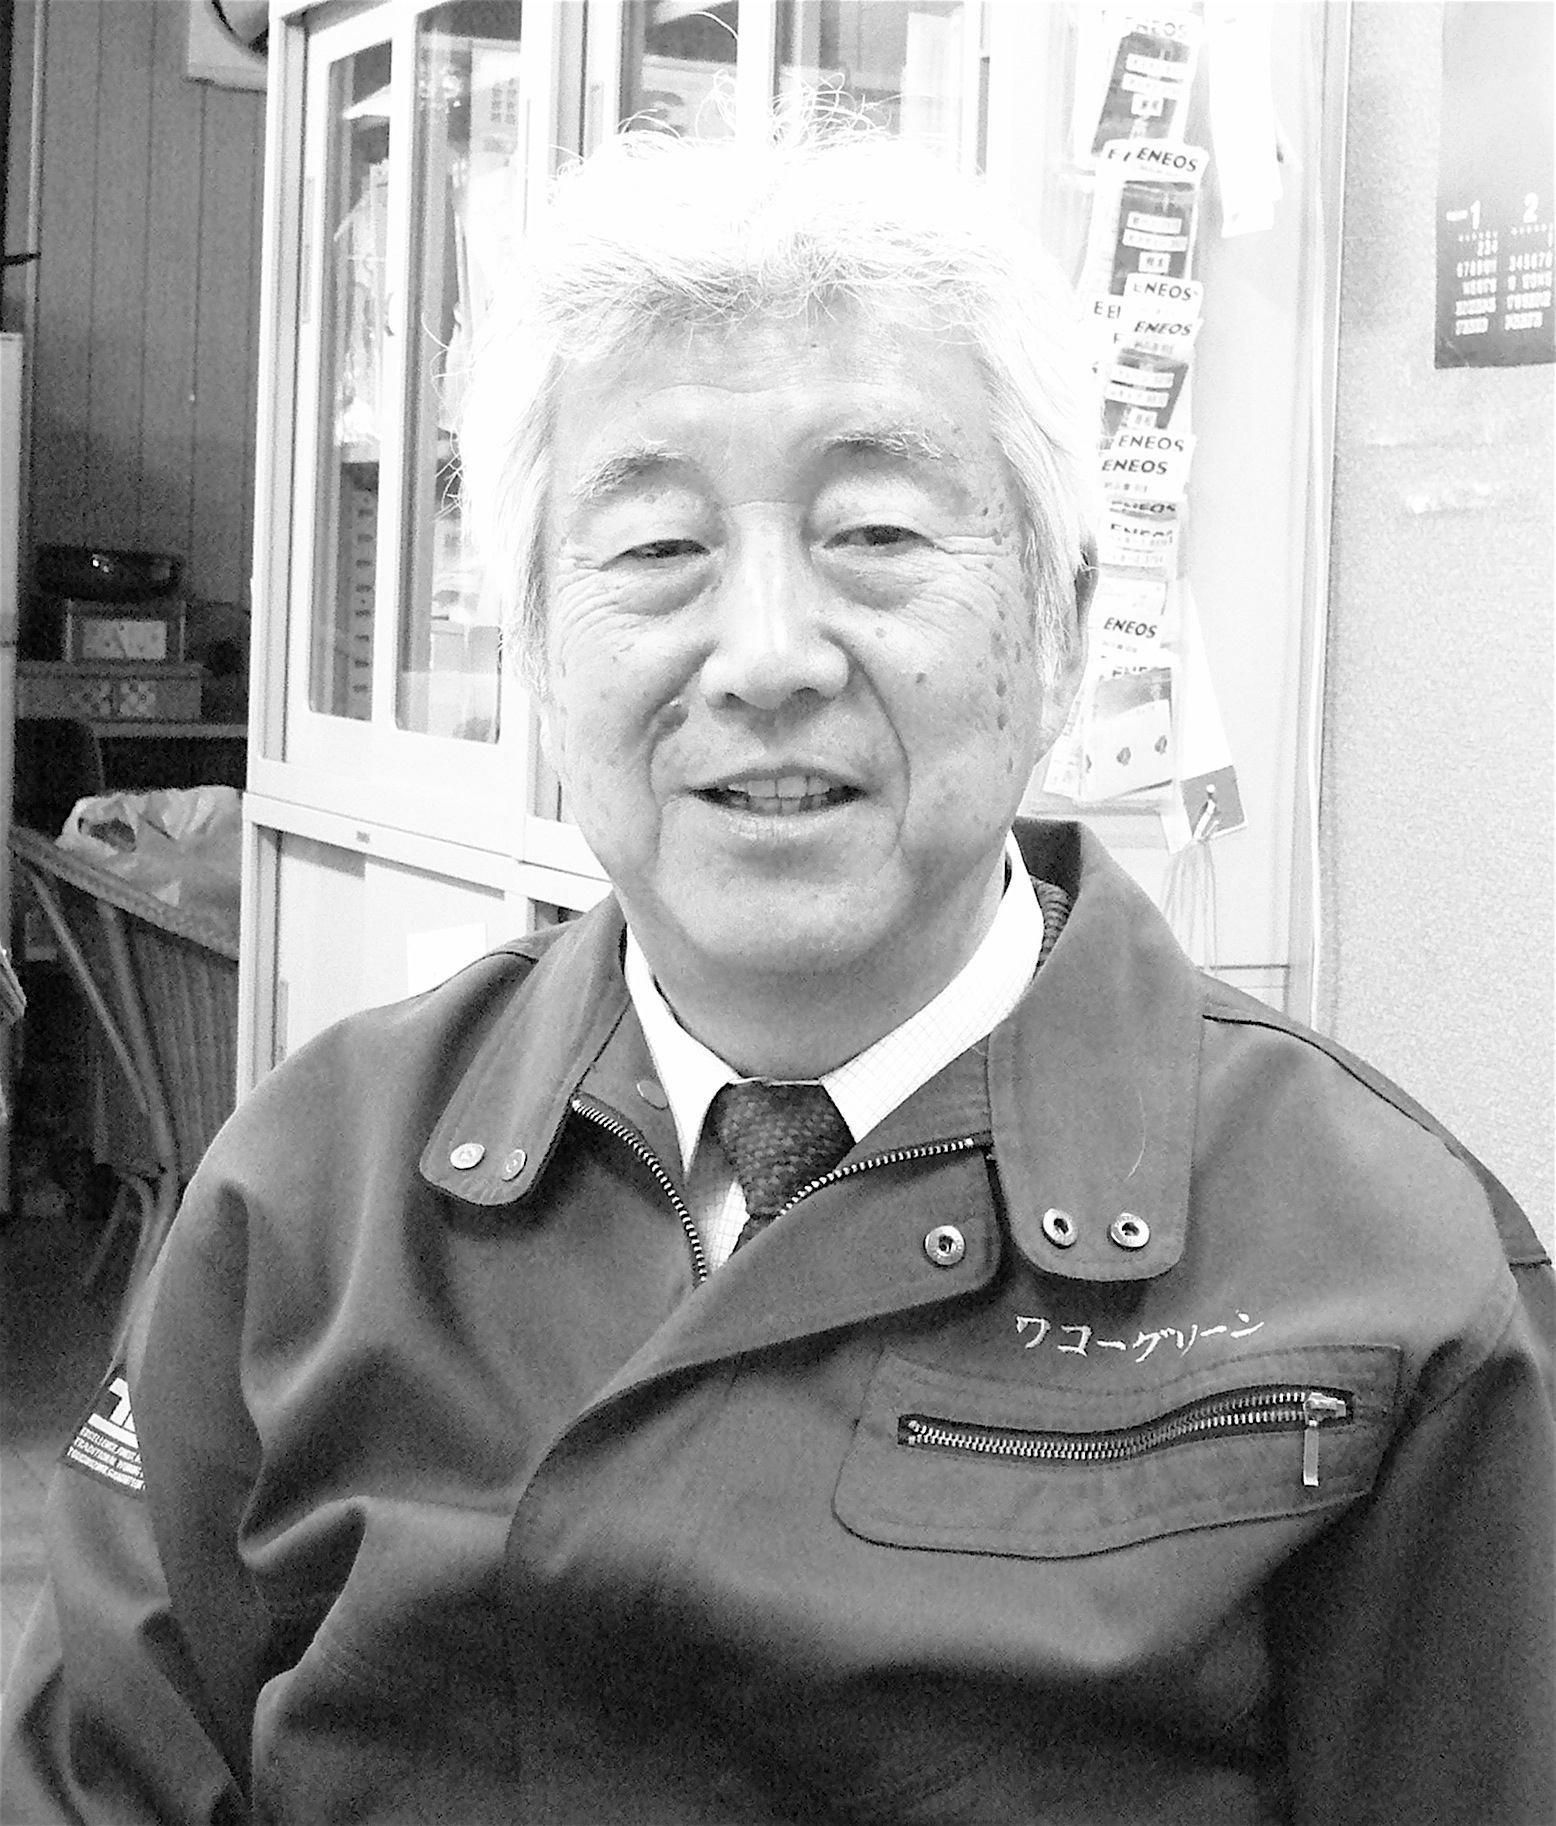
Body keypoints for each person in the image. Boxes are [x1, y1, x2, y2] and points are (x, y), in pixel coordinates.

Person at [3, 115, 1551, 1826]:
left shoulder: (1382, 1261)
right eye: (655, 549)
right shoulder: (310, 1189)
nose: (764, 657)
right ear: (535, 652)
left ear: (1060, 623)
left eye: (875, 534)